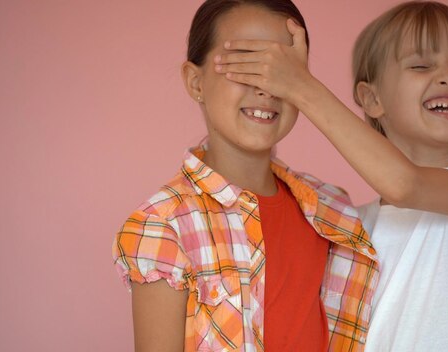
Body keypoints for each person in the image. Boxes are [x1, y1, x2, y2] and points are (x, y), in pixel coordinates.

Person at [213, 1, 448, 350]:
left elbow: (404, 185)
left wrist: (301, 86)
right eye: (422, 65)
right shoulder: (353, 227)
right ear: (371, 98)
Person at [112, 1, 379, 351]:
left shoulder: (332, 209)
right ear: (196, 82)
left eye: (284, 70)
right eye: (245, 64)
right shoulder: (161, 227)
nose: (266, 87)